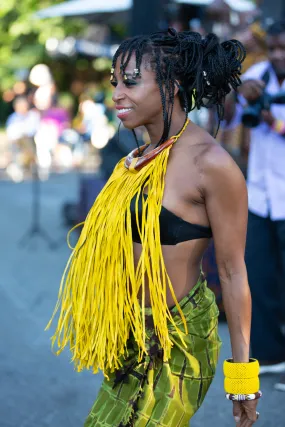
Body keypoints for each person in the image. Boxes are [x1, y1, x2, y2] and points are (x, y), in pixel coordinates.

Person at [47, 29, 261, 425]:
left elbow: (233, 273)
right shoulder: (135, 159)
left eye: (131, 81)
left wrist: (243, 380)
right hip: (129, 337)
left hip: (179, 340)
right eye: (115, 83)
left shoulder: (211, 165)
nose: (116, 94)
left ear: (172, 85)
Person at [224, 20, 285, 392]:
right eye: (274, 48)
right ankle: (273, 355)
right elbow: (228, 118)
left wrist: (271, 121)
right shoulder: (259, 73)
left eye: (284, 49)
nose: (277, 56)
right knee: (258, 277)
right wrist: (236, 88)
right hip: (260, 197)